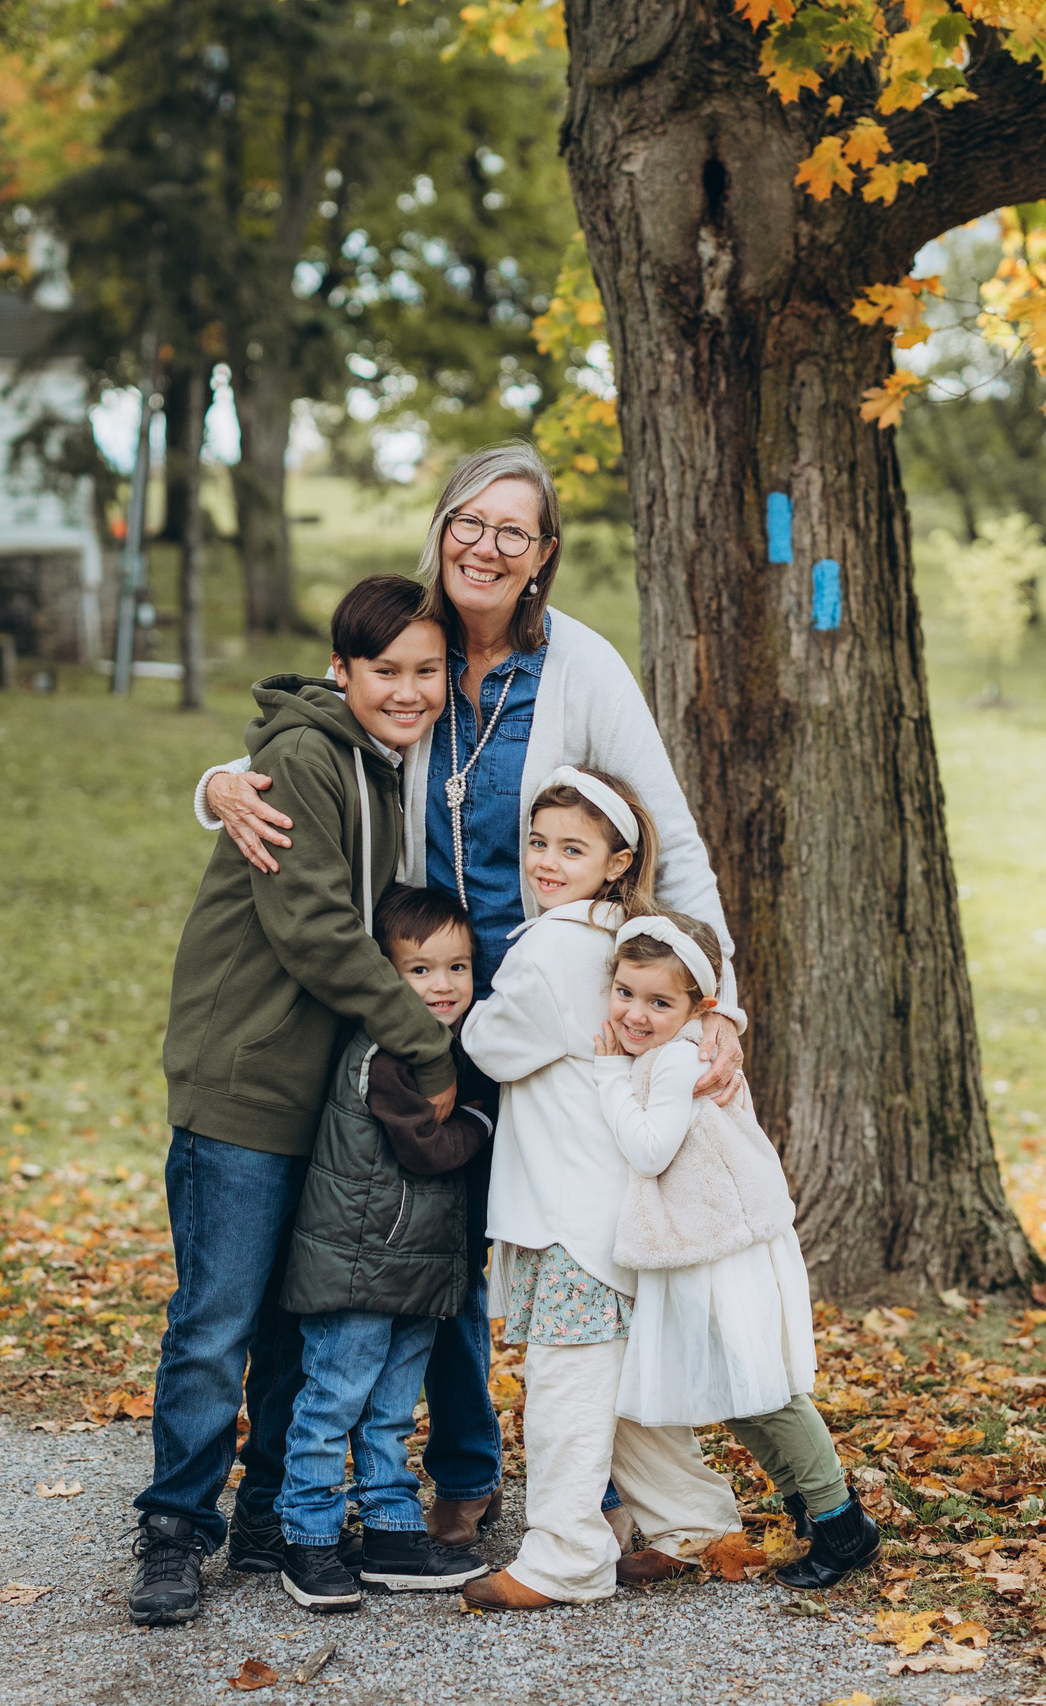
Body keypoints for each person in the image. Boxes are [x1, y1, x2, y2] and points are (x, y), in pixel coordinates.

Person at [194, 441, 750, 1546]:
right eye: (469, 521)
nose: (485, 545)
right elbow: (296, 740)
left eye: (513, 530)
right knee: (437, 1232)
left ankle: (595, 1489)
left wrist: (718, 998)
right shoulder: (414, 647)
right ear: (441, 527)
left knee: (572, 1242)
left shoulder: (582, 666)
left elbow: (672, 839)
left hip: (557, 1013)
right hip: (422, 1003)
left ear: (541, 555)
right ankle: (464, 1466)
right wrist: (212, 788)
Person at [129, 575, 460, 1627]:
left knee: (291, 1316)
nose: (407, 690)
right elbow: (317, 929)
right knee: (216, 1319)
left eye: (425, 670)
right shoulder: (305, 758)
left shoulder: (387, 766)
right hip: (244, 1078)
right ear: (342, 671)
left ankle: (269, 1512)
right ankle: (174, 1526)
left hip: (321, 1095)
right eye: (385, 670)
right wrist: (424, 1044)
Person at [453, 766, 750, 1609]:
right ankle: (696, 1527)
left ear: (617, 861)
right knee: (617, 1391)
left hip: (568, 1215)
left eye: (571, 848)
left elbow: (490, 1047)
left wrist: (477, 1008)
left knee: (567, 1390)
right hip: (613, 1205)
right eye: (538, 842)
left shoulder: (551, 945)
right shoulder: (635, 944)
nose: (546, 861)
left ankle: (565, 1556)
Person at [592, 910, 882, 1591]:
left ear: (701, 1007)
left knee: (769, 1394)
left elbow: (648, 1149)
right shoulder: (677, 1049)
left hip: (720, 1255)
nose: (635, 1014)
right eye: (625, 993)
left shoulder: (673, 1062)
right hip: (709, 1248)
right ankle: (807, 1510)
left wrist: (607, 1077)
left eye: (659, 1002)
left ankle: (843, 1526)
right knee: (744, 1396)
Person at [272, 885, 499, 1611]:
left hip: (412, 1268)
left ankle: (393, 1528)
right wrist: (483, 1123)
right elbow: (427, 1147)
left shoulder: (441, 1048)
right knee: (334, 1400)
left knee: (393, 1408)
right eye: (421, 970)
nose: (444, 985)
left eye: (458, 968)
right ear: (385, 975)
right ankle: (306, 1537)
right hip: (360, 1266)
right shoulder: (390, 1053)